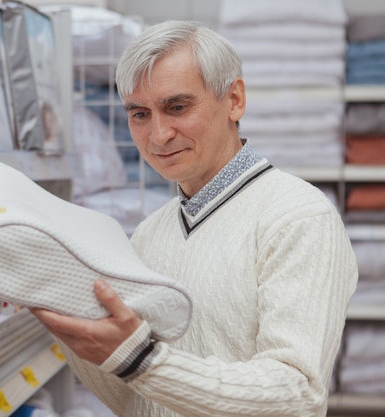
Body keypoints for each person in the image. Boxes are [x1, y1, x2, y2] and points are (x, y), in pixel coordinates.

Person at [30, 20, 358, 417]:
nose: (158, 135)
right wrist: (66, 313)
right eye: (139, 114)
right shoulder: (151, 232)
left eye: (177, 107)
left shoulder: (298, 217)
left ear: (234, 100)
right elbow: (140, 401)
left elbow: (295, 395)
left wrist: (140, 359)